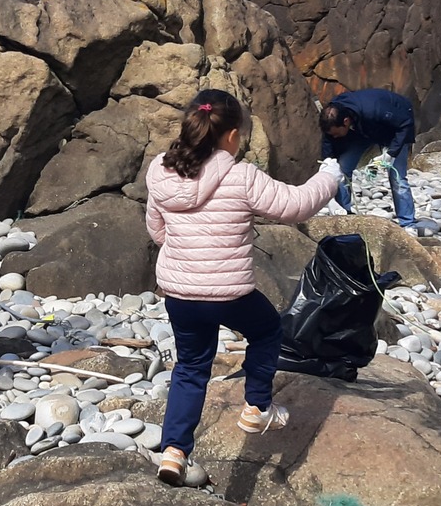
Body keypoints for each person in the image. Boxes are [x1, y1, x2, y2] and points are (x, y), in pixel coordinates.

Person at [146, 89, 343, 485]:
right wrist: (330, 176)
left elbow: (157, 231)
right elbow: (297, 205)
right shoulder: (241, 176)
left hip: (181, 295)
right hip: (229, 293)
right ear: (232, 136)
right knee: (268, 329)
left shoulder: (161, 172)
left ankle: (173, 452)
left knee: (190, 368)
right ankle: (257, 406)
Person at [320, 88, 422, 233]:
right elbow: (329, 141)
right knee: (341, 170)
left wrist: (391, 153)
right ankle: (343, 217)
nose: (335, 137)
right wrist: (327, 162)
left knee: (398, 178)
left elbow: (405, 123)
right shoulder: (332, 117)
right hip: (362, 131)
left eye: (336, 134)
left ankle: (408, 224)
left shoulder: (373, 108)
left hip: (395, 128)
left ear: (345, 121)